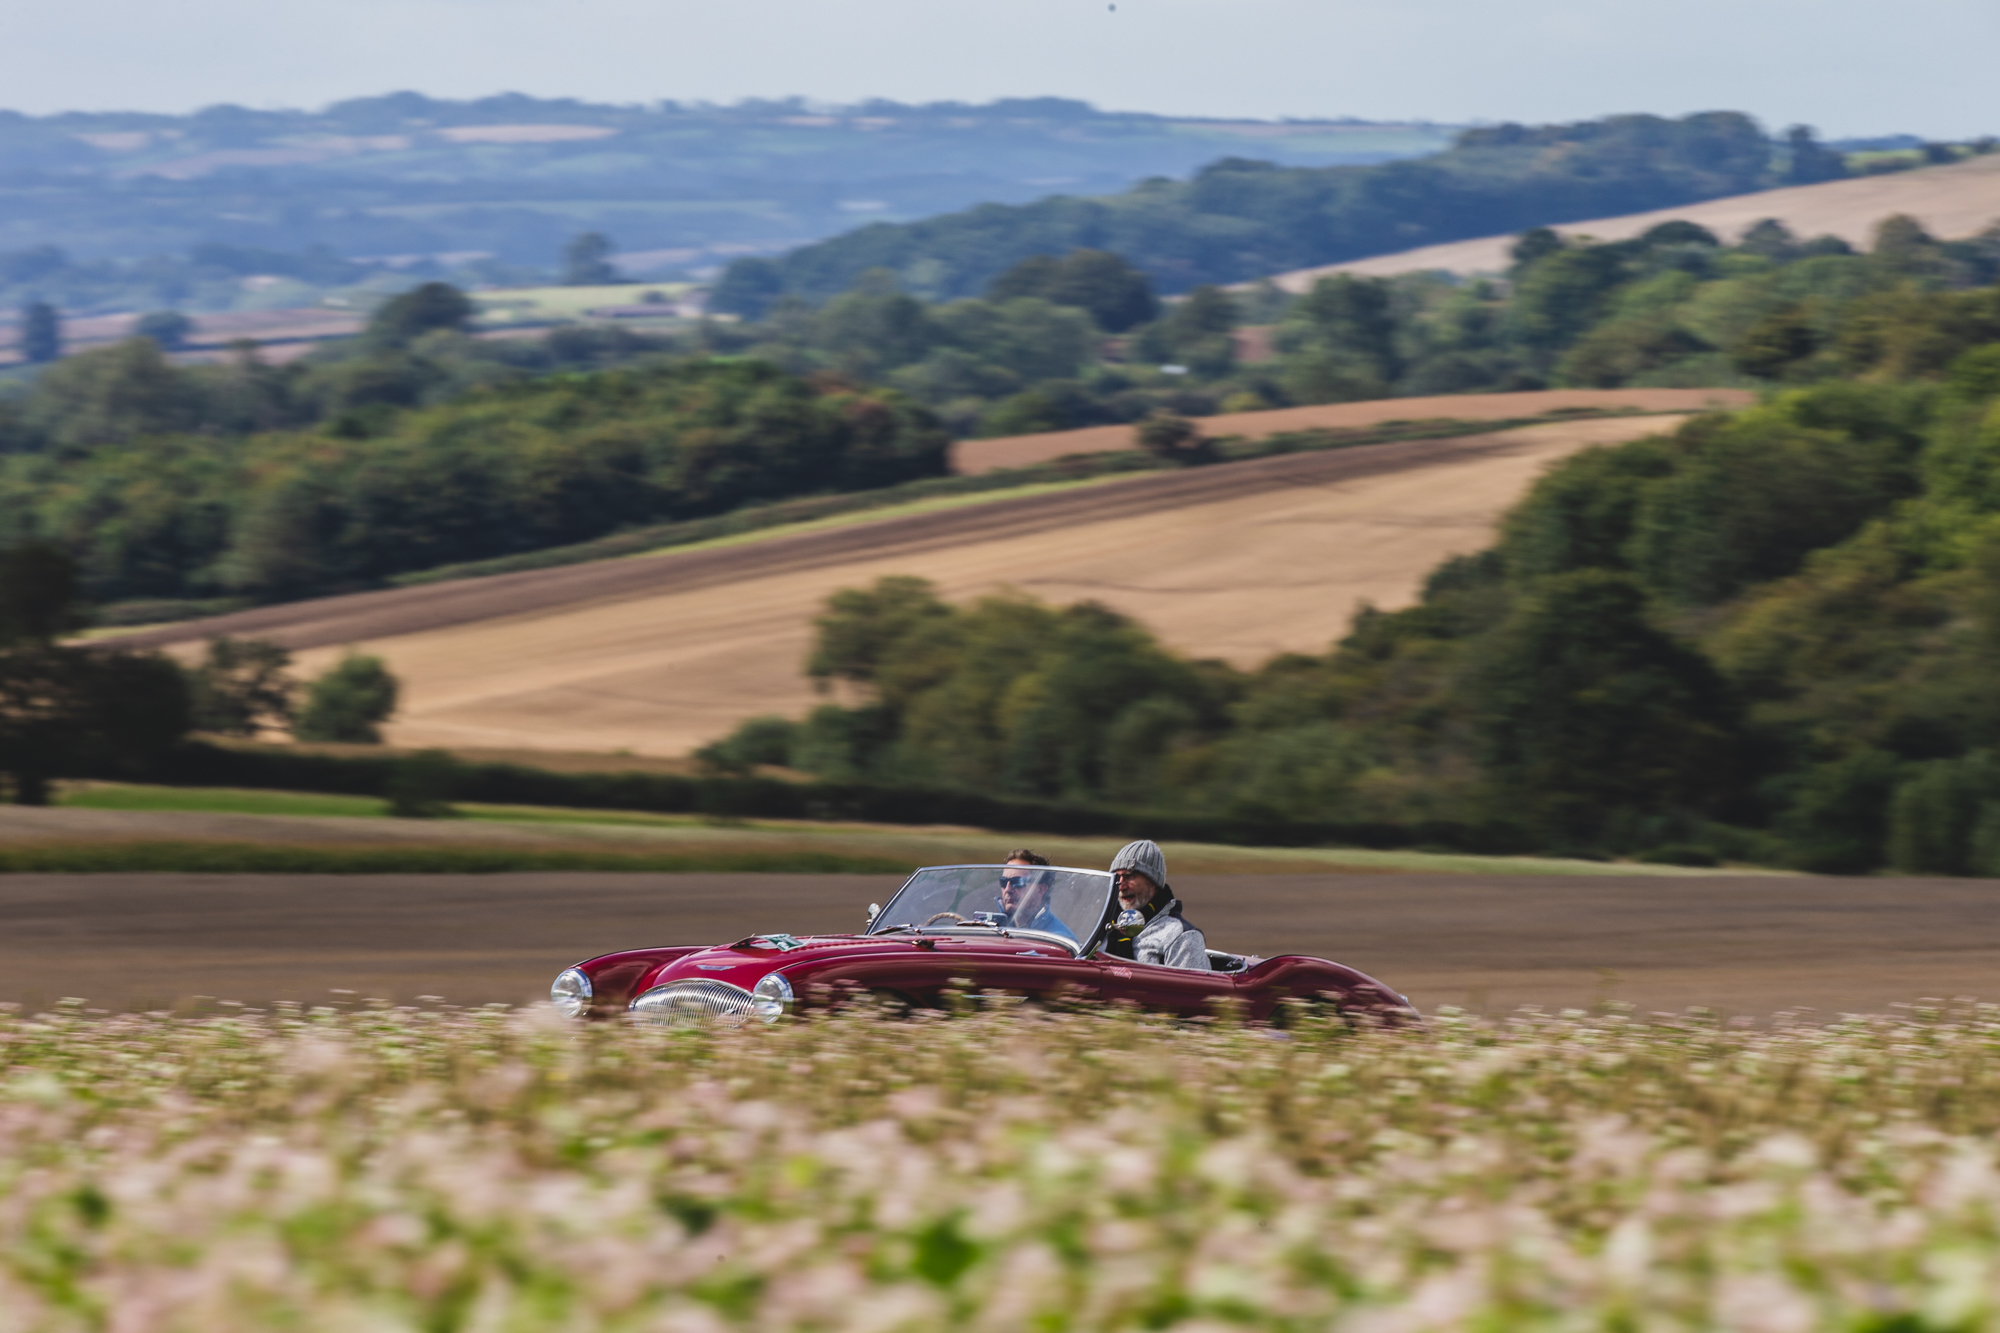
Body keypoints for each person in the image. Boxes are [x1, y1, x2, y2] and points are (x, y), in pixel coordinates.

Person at [1104, 839, 1209, 970]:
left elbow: (1192, 989)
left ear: (1153, 882)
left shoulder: (1182, 935)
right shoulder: (1105, 926)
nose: (1121, 887)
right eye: (1116, 878)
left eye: (1129, 876)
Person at [998, 849, 1077, 943]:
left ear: (1040, 890)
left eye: (1017, 882)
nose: (1007, 889)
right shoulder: (995, 930)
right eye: (1003, 882)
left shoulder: (1060, 940)